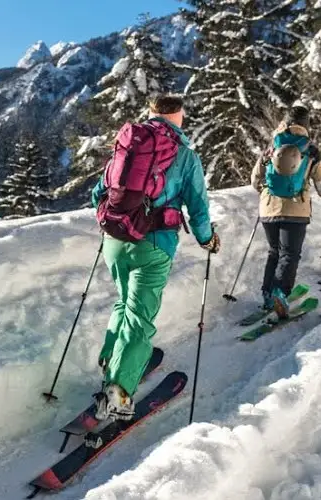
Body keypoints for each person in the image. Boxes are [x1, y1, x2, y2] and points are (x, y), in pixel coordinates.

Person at [89, 95, 218, 420]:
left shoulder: (128, 148)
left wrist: (121, 221)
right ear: (180, 117)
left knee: (124, 303)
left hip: (115, 240)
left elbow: (97, 193)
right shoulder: (185, 156)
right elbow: (198, 208)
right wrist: (207, 239)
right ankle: (116, 397)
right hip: (154, 244)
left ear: (151, 114)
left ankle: (113, 361)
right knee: (140, 319)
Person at [250, 105, 321, 317]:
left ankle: (268, 295)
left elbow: (255, 180)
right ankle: (280, 292)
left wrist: (268, 194)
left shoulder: (272, 146)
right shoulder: (310, 150)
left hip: (268, 209)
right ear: (306, 126)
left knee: (274, 252)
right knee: (289, 254)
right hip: (296, 211)